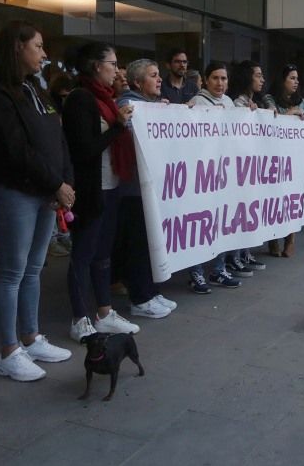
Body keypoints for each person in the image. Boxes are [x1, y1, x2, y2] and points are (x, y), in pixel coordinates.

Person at [0, 20, 76, 381]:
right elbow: (15, 150)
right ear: (18, 47)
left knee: (34, 268)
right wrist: (55, 184)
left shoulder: (34, 88)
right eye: (38, 47)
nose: (44, 55)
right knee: (13, 271)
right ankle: (8, 350)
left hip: (45, 191)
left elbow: (56, 139)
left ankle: (30, 337)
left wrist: (63, 183)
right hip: (15, 191)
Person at [61, 42, 142, 342]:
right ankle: (80, 317)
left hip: (111, 186)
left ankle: (105, 313)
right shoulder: (81, 99)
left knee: (103, 253)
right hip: (91, 189)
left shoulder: (108, 99)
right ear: (96, 66)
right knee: (83, 253)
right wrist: (118, 127)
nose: (117, 70)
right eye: (113, 63)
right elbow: (84, 150)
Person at [114, 58, 177, 318]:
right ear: (138, 82)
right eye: (153, 75)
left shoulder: (151, 106)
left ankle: (151, 291)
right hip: (133, 191)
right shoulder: (127, 106)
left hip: (153, 190)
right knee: (139, 245)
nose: (159, 79)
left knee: (153, 243)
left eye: (159, 74)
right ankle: (140, 299)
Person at [185, 62, 243, 292]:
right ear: (206, 80)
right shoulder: (198, 103)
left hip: (224, 174)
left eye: (224, 78)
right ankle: (196, 273)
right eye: (216, 78)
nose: (220, 83)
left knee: (222, 223)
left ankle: (219, 270)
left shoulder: (228, 103)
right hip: (204, 175)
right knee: (201, 223)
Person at [227, 60, 271, 274]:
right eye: (258, 75)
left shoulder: (259, 102)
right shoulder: (237, 104)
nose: (262, 79)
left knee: (249, 211)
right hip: (240, 169)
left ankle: (244, 252)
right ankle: (233, 256)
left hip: (253, 168)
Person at [269, 64, 304, 257]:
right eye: (291, 78)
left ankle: (290, 240)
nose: (296, 82)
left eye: (297, 78)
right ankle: (273, 238)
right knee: (274, 198)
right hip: (275, 158)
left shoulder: (303, 103)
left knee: (293, 198)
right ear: (282, 80)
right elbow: (271, 123)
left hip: (295, 160)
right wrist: (288, 115)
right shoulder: (270, 100)